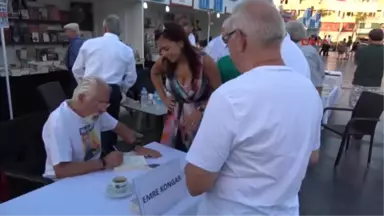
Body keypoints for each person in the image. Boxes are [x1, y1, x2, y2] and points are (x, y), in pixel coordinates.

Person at [185, 0, 322, 215]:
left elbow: (196, 183)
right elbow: (312, 157)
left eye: (226, 38)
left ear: (239, 39)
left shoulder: (230, 96)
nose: (227, 47)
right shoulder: (310, 92)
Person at [42, 77, 161, 179]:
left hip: (92, 172)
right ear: (81, 98)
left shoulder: (96, 112)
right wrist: (104, 163)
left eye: (106, 104)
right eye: (100, 103)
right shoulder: (59, 122)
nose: (104, 109)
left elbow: (119, 127)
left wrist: (137, 146)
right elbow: (61, 170)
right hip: (65, 180)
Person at [72, 15, 137, 155]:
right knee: (110, 126)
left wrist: (84, 85)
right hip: (112, 90)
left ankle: (88, 157)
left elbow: (76, 69)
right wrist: (121, 89)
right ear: (119, 30)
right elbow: (132, 77)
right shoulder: (126, 50)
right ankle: (108, 155)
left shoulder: (89, 44)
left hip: (89, 89)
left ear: (105, 28)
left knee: (87, 124)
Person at [151, 22, 221, 152]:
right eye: (160, 50)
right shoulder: (165, 62)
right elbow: (154, 73)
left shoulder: (205, 62)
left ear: (181, 43)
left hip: (201, 123)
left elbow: (220, 93)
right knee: (170, 159)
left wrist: (201, 110)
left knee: (196, 162)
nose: (163, 54)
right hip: (174, 123)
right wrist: (164, 98)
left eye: (166, 49)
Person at [286, 21, 325, 94]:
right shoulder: (310, 49)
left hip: (301, 92)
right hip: (312, 90)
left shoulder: (294, 51)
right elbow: (321, 71)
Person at [350, 29, 384, 107]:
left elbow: (356, 62)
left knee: (355, 107)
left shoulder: (361, 49)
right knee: (368, 108)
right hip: (374, 84)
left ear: (369, 38)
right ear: (382, 38)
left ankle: (354, 119)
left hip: (358, 83)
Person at [63, 23, 84, 93]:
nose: (65, 33)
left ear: (72, 31)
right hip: (73, 71)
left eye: (67, 31)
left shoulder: (77, 43)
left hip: (76, 73)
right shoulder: (73, 42)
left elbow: (78, 58)